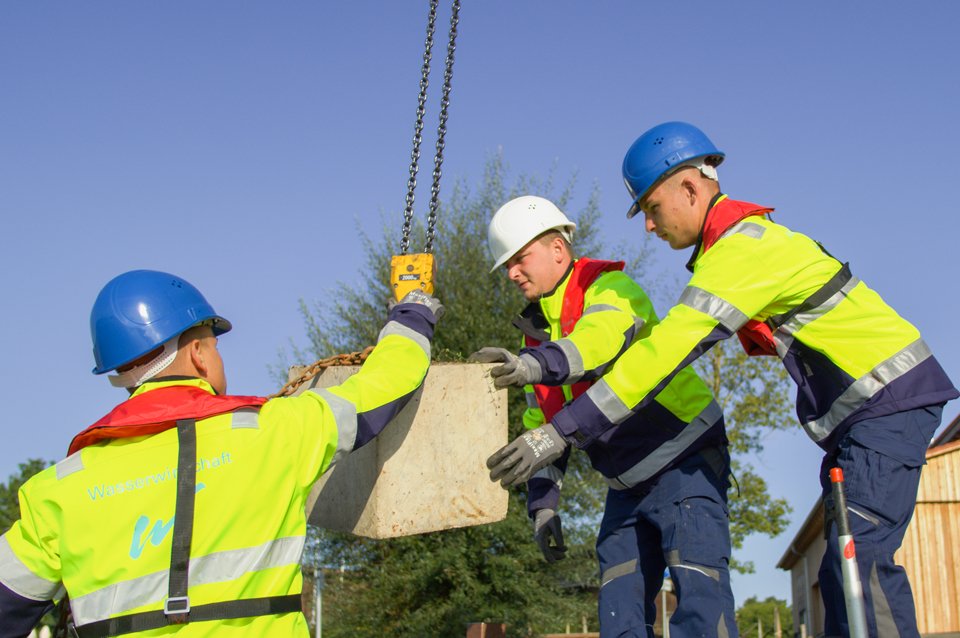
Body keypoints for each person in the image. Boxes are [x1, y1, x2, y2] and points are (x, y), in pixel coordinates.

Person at [487, 122, 960, 637]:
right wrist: (544, 498)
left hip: (887, 401)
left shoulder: (739, 252)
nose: (649, 225)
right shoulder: (734, 250)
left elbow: (661, 353)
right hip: (868, 412)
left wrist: (556, 430)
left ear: (689, 189)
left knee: (858, 559)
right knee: (842, 563)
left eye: (651, 208)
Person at [0, 269, 442, 637]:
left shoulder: (55, 492)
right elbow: (381, 389)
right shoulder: (276, 433)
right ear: (198, 355)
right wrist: (411, 318)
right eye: (214, 344)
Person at [472, 195, 739, 637]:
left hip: (685, 460)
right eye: (507, 267)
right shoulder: (537, 338)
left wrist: (532, 366)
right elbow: (541, 431)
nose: (512, 274)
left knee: (699, 597)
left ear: (558, 249)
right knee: (619, 608)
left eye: (520, 259)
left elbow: (597, 343)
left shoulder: (612, 290)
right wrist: (542, 507)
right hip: (626, 486)